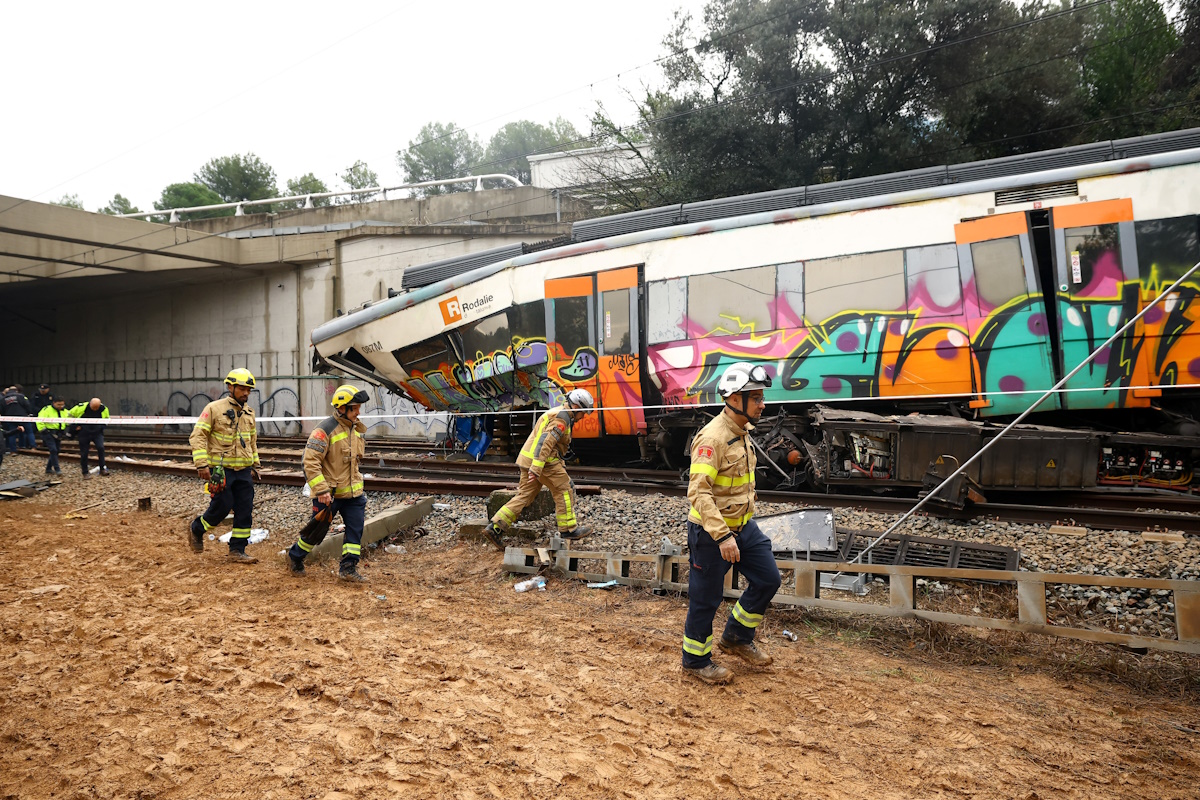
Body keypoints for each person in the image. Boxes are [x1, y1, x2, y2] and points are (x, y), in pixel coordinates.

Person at [681, 362, 782, 685]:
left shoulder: (742, 432)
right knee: (705, 600)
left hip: (743, 527)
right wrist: (723, 536)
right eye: (757, 398)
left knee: (768, 579)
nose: (763, 404)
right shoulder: (713, 438)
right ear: (735, 399)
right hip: (712, 533)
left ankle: (736, 637)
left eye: (762, 398)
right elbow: (698, 492)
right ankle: (695, 661)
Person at [482, 388, 595, 550]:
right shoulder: (561, 419)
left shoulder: (559, 413)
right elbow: (545, 443)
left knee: (524, 496)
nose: (583, 417)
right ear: (577, 407)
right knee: (565, 489)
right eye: (583, 413)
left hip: (529, 459)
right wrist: (536, 468)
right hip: (544, 462)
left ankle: (495, 528)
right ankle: (568, 530)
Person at [287, 384, 370, 581]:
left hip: (353, 495)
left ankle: (348, 569)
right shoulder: (324, 430)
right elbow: (310, 462)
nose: (358, 412)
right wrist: (322, 490)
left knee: (355, 531)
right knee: (316, 532)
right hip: (329, 495)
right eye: (355, 408)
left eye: (359, 408)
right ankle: (295, 556)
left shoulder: (356, 429)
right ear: (342, 408)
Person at [187, 369, 261, 563]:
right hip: (221, 470)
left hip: (243, 470)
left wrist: (255, 465)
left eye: (249, 390)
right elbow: (198, 436)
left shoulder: (249, 413)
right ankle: (197, 528)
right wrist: (201, 464)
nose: (246, 393)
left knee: (245, 509)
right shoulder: (214, 408)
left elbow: (252, 442)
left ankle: (237, 550)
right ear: (230, 387)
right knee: (222, 506)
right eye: (242, 389)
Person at [68, 397, 110, 478]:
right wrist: (74, 426)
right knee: (84, 453)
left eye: (96, 407)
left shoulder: (104, 409)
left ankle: (102, 468)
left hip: (97, 433)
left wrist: (102, 427)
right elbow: (69, 415)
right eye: (93, 407)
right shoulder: (81, 407)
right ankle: (85, 472)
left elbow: (107, 419)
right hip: (84, 433)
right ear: (90, 403)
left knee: (101, 448)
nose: (95, 409)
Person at [36, 397, 69, 474]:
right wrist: (43, 430)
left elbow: (70, 420)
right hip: (48, 432)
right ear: (54, 403)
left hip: (59, 433)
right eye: (58, 404)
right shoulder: (46, 409)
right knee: (53, 450)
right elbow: (39, 420)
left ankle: (48, 469)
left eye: (62, 405)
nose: (60, 406)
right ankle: (57, 469)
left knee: (57, 450)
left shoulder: (65, 411)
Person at [2, 385, 32, 454]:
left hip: (10, 418)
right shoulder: (21, 396)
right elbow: (27, 405)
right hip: (23, 417)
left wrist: (5, 416)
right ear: (16, 390)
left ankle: (13, 450)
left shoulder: (3, 398)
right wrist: (28, 413)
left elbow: (2, 409)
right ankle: (30, 446)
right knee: (28, 432)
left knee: (12, 433)